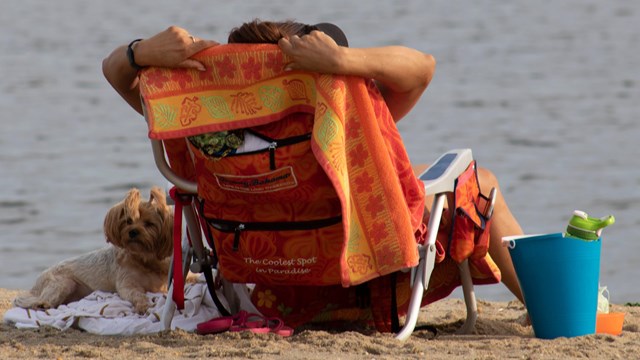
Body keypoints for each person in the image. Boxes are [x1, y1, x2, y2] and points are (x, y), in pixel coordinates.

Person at [102, 20, 525, 311]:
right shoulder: (338, 111)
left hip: (270, 293)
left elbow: (113, 71)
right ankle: (545, 307)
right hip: (366, 285)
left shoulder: (201, 124)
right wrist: (342, 64)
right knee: (478, 181)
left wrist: (141, 52)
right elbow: (423, 67)